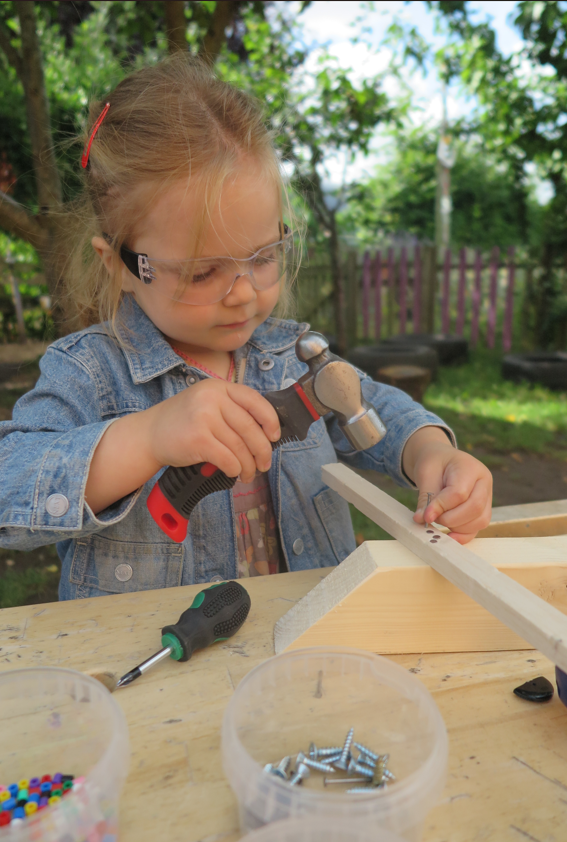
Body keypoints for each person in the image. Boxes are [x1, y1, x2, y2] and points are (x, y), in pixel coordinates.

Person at [0, 57, 492, 600]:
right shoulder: (90, 373)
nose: (242, 291)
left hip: (304, 638)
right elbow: (11, 487)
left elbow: (371, 407)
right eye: (202, 271)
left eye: (263, 256)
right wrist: (148, 437)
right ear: (120, 265)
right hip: (160, 664)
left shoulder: (292, 355)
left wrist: (432, 455)